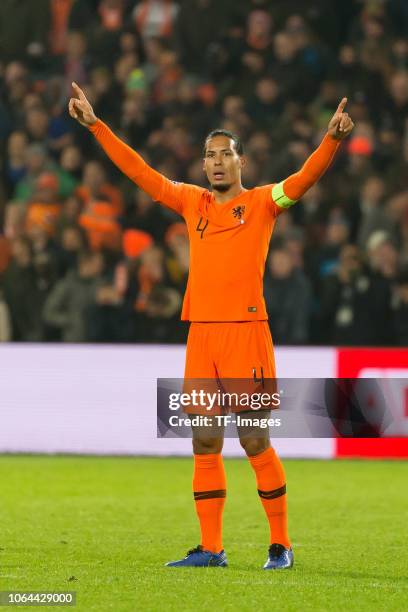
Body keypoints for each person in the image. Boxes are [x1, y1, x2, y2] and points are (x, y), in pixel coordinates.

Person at [68, 82, 354, 570]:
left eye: (226, 154)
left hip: (246, 334)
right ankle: (211, 548)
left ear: (241, 162)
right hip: (201, 334)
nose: (217, 161)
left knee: (254, 440)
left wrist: (330, 140)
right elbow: (139, 171)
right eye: (210, 155)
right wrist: (97, 127)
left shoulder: (265, 202)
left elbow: (303, 180)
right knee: (203, 439)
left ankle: (281, 545)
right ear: (203, 165)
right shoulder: (191, 202)